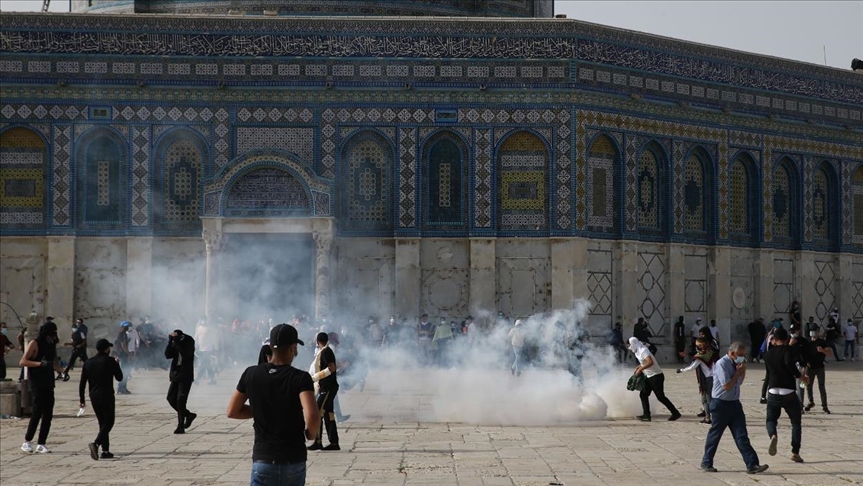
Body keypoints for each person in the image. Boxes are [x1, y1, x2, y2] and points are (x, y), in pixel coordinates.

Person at [227, 323, 320, 486]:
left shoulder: (251, 373)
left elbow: (232, 411)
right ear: (293, 347)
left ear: (270, 346)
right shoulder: (300, 377)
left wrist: (262, 409)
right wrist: (311, 434)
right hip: (293, 459)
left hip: (264, 459)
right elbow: (312, 415)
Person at [700, 342, 768, 474]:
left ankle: (752, 464)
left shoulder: (736, 364)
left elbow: (739, 382)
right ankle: (706, 462)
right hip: (721, 404)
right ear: (732, 353)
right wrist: (738, 372)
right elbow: (726, 385)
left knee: (741, 435)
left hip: (735, 404)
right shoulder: (722, 364)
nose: (742, 357)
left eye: (744, 355)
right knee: (715, 435)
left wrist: (743, 370)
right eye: (740, 355)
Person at [20, 321, 63, 453]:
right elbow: (23, 361)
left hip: (48, 382)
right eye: (52, 333)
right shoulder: (35, 343)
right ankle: (27, 441)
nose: (54, 336)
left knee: (48, 414)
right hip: (37, 382)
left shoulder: (51, 345)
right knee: (37, 411)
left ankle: (41, 443)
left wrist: (61, 371)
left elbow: (53, 362)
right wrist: (40, 364)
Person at [764, 328, 806, 463]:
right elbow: (789, 363)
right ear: (787, 339)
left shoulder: (768, 354)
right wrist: (801, 377)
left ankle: (773, 435)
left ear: (774, 340)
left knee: (771, 420)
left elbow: (768, 373)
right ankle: (795, 452)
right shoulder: (788, 350)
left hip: (773, 390)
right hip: (787, 390)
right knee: (795, 422)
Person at [79, 338, 123, 460]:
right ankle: (96, 444)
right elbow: (119, 378)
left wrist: (82, 400)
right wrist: (117, 364)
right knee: (109, 422)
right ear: (106, 349)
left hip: (94, 396)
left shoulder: (88, 362)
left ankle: (105, 451)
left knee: (102, 423)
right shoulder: (110, 361)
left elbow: (82, 383)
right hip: (107, 395)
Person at [628, 337, 681, 422]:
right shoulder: (638, 351)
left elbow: (650, 362)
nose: (630, 346)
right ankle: (646, 415)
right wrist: (639, 366)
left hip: (656, 376)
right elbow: (644, 362)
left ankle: (675, 413)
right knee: (643, 394)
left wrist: (641, 369)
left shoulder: (643, 350)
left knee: (660, 397)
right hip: (649, 376)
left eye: (630, 344)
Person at [308, 332, 340, 451]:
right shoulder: (324, 352)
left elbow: (331, 368)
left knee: (317, 412)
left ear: (317, 341)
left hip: (327, 387)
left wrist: (315, 377)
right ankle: (334, 442)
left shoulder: (326, 352)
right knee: (328, 414)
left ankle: (318, 441)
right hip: (326, 387)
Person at [677, 336, 716, 424]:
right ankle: (709, 417)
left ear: (702, 345)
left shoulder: (700, 356)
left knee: (706, 400)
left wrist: (681, 370)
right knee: (708, 399)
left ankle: (710, 417)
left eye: (698, 345)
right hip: (713, 377)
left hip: (706, 379)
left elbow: (692, 367)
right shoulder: (710, 353)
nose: (696, 346)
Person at [165, 329, 197, 434]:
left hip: (186, 375)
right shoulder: (175, 342)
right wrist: (170, 342)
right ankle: (188, 414)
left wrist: (177, 341)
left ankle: (180, 426)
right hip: (175, 374)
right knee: (170, 398)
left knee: (181, 400)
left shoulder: (188, 340)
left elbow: (185, 354)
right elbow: (167, 355)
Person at [803, 329, 831, 414]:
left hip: (820, 367)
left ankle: (824, 406)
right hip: (810, 367)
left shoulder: (822, 342)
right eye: (811, 331)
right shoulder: (807, 343)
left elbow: (830, 353)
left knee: (821, 386)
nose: (813, 333)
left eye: (815, 331)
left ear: (818, 332)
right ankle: (811, 402)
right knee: (808, 385)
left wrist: (823, 350)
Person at [114, 321, 132, 394]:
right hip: (123, 355)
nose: (127, 327)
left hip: (121, 355)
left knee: (125, 372)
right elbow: (123, 345)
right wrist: (129, 353)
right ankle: (121, 388)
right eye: (126, 326)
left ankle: (123, 387)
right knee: (125, 372)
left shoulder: (121, 334)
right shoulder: (122, 334)